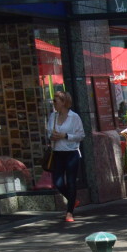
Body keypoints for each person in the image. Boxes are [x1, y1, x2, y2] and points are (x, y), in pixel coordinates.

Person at [46, 91, 84, 223]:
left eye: (55, 101)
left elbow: (81, 135)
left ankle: (69, 212)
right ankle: (72, 199)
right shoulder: (53, 116)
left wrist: (66, 136)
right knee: (58, 182)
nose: (54, 104)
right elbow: (49, 132)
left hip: (71, 152)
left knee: (71, 181)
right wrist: (52, 136)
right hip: (57, 152)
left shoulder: (74, 117)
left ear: (63, 102)